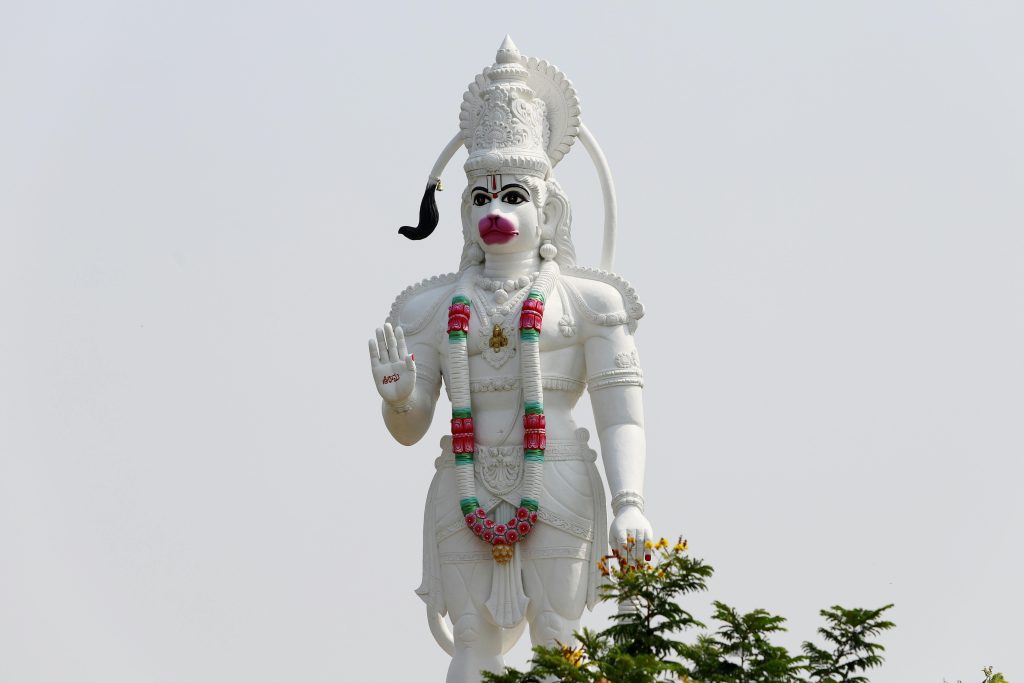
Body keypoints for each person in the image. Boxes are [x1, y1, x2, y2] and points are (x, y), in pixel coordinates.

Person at [368, 37, 653, 683]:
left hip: (556, 474)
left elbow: (621, 412)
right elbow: (413, 428)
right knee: (473, 642)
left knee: (559, 639)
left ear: (547, 208)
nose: (495, 210)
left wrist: (631, 499)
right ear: (465, 212)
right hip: (463, 485)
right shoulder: (430, 308)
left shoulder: (590, 301)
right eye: (481, 197)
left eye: (514, 196)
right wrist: (397, 398)